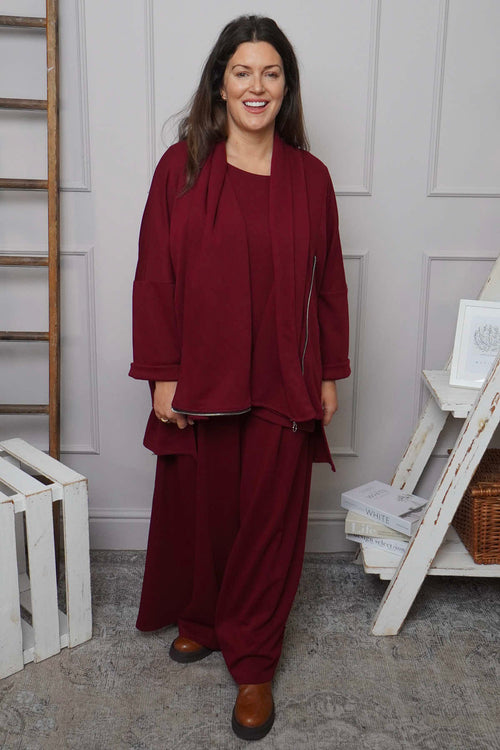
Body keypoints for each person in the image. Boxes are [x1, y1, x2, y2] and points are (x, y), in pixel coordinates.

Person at [129, 15, 350, 741]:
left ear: (286, 88)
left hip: (284, 375)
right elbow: (154, 276)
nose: (257, 86)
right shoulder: (181, 167)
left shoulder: (311, 179)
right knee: (205, 507)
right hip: (204, 371)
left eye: (271, 73)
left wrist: (329, 372)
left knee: (268, 520)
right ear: (220, 84)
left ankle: (253, 659)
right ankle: (205, 617)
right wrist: (162, 374)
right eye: (243, 72)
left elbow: (330, 284)